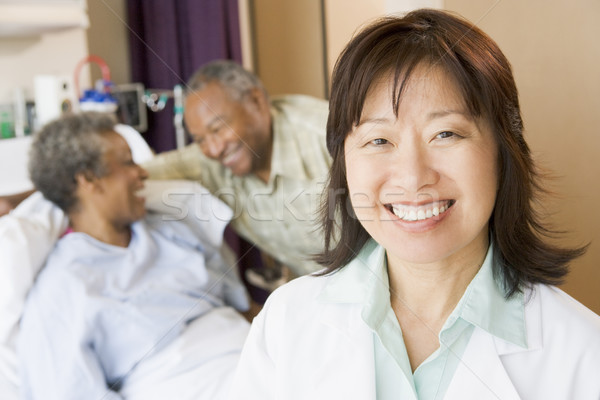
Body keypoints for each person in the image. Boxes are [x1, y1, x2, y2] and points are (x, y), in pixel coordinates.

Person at [229, 9, 600, 400]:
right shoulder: (286, 321)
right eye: (379, 141)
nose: (412, 176)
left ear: (504, 152)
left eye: (445, 133)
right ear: (344, 165)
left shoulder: (583, 352)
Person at [18, 112, 250, 400]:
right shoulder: (64, 289)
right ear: (89, 180)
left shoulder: (173, 231)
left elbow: (242, 307)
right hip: (186, 383)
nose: (142, 173)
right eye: (127, 162)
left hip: (252, 356)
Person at [142, 60, 331, 279]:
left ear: (256, 101)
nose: (213, 149)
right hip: (318, 292)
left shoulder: (328, 134)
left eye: (218, 128)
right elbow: (136, 174)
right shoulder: (208, 162)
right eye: (200, 139)